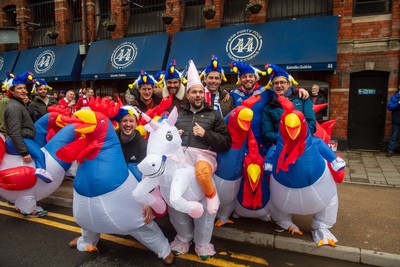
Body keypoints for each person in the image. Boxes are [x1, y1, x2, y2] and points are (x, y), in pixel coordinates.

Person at [171, 60, 231, 260]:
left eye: (199, 92)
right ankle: (183, 237)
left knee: (206, 207)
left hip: (202, 164)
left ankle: (203, 242)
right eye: (193, 92)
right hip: (180, 164)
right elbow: (164, 137)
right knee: (175, 203)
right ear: (187, 95)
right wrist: (173, 134)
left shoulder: (213, 115)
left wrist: (206, 135)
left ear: (203, 94)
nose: (196, 95)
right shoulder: (178, 115)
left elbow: (226, 142)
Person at [230, 61, 309, 156]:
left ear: (256, 78)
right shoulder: (233, 94)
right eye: (244, 77)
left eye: (250, 76)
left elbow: (282, 91)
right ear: (240, 79)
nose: (248, 79)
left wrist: (298, 89)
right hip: (242, 142)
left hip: (262, 142)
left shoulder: (265, 91)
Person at [4, 71, 53, 217]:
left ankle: (21, 203)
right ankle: (42, 172)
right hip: (20, 140)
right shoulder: (13, 107)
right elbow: (14, 131)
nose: (24, 90)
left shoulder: (17, 104)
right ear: (11, 91)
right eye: (19, 88)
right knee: (39, 154)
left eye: (24, 88)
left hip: (23, 139)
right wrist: (24, 152)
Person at [262, 64, 317, 147]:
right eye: (276, 83)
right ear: (272, 86)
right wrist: (284, 137)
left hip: (304, 145)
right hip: (282, 147)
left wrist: (297, 136)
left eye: (282, 82)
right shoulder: (269, 107)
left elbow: (311, 123)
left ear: (288, 84)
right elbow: (267, 133)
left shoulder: (302, 98)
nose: (279, 85)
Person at [386, 88, 400, 157]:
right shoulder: (395, 97)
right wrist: (398, 103)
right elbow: (389, 107)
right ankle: (390, 150)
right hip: (397, 121)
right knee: (394, 136)